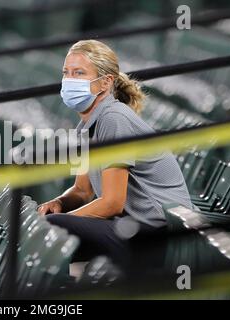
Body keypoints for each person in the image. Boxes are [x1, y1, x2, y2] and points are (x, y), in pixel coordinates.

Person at [37, 40, 193, 266]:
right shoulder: (87, 125)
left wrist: (58, 221)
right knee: (57, 225)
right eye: (66, 73)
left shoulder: (114, 119)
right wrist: (59, 203)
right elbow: (82, 190)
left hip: (159, 234)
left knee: (57, 228)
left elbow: (112, 203)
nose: (70, 80)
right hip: (130, 226)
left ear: (105, 82)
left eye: (79, 73)